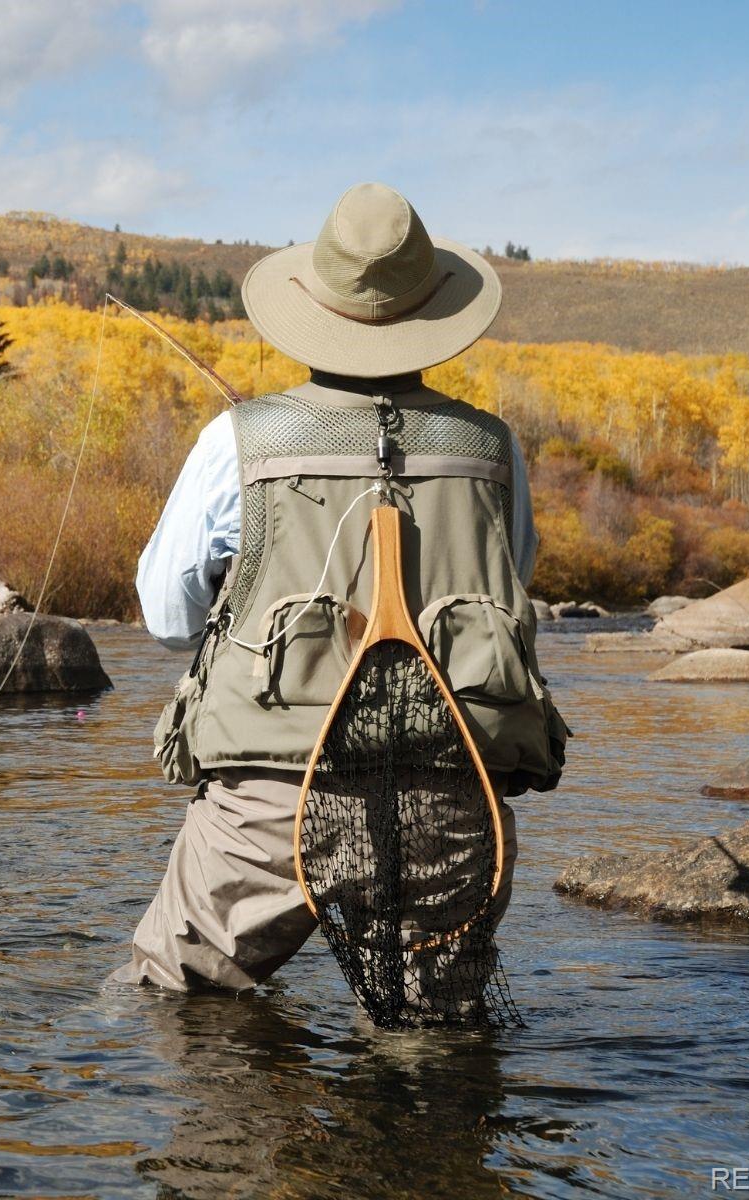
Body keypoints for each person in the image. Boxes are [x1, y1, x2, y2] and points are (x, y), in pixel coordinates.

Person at [111, 182, 569, 1000]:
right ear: (435, 316)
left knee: (179, 1010)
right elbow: (511, 586)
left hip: (268, 799)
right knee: (435, 1059)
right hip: (451, 792)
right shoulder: (492, 448)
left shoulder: (237, 441)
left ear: (314, 307)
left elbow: (167, 617)